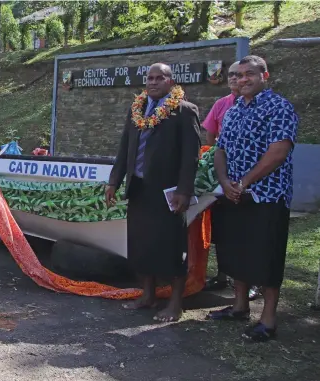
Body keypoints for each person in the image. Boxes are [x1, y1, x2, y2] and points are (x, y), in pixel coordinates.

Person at [206, 55, 299, 342]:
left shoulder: (279, 107)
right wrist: (225, 182)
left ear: (264, 76)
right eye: (237, 74)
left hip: (267, 196)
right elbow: (219, 149)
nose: (242, 79)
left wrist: (245, 182)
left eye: (249, 74)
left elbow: (278, 151)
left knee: (267, 257)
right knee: (235, 252)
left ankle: (268, 321)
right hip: (233, 195)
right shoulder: (233, 111)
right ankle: (239, 306)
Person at [105, 63, 201, 322]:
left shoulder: (184, 112)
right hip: (139, 187)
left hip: (168, 191)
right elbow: (125, 146)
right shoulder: (136, 109)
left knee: (171, 245)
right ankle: (147, 295)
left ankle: (175, 304)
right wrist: (114, 180)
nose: (154, 82)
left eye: (160, 78)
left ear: (171, 82)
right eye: (150, 78)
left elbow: (190, 157)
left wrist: (184, 190)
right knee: (141, 243)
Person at [201, 62, 262, 301]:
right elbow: (212, 140)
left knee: (252, 234)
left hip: (255, 183)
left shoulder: (265, 106)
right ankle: (223, 275)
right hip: (224, 178)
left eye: (242, 75)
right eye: (233, 76)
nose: (236, 80)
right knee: (225, 230)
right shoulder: (223, 105)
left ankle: (254, 281)